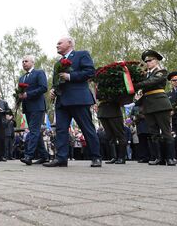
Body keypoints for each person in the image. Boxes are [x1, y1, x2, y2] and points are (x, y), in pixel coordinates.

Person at [44, 37, 102, 168]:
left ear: (69, 44)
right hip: (62, 101)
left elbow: (90, 72)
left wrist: (70, 76)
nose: (56, 45)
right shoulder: (57, 63)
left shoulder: (82, 55)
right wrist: (53, 89)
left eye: (59, 43)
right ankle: (61, 158)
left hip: (78, 99)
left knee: (87, 128)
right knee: (61, 130)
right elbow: (56, 81)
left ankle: (96, 157)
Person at [133, 50, 175, 166]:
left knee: (166, 132)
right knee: (153, 133)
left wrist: (135, 85)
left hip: (160, 104)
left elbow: (152, 82)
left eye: (150, 60)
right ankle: (158, 158)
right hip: (148, 105)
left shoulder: (161, 71)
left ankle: (170, 158)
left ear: (156, 61)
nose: (147, 63)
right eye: (146, 61)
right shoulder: (145, 75)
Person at [18, 55, 49, 165]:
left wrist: (28, 94)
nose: (24, 63)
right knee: (36, 132)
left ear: (32, 62)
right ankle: (45, 156)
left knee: (34, 131)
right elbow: (20, 93)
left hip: (37, 106)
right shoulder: (21, 78)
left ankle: (28, 156)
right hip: (27, 108)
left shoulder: (39, 73)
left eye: (26, 61)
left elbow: (43, 87)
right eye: (22, 61)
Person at [96, 96, 127, 165]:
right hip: (103, 110)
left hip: (114, 110)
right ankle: (113, 157)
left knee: (120, 135)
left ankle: (121, 157)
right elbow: (98, 96)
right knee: (110, 136)